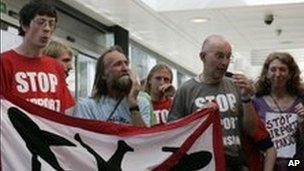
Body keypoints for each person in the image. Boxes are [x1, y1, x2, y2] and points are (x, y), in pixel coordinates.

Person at [168, 35, 276, 171]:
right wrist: (200, 117)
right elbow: (173, 133)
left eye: (228, 57)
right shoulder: (186, 90)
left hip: (235, 162)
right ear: (203, 57)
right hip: (203, 163)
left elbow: (253, 130)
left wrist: (246, 98)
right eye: (219, 56)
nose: (225, 62)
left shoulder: (236, 86)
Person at [0, 0, 74, 114]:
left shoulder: (56, 66)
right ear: (25, 25)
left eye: (51, 24)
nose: (47, 29)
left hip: (50, 130)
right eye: (41, 22)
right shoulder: (4, 62)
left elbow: (65, 110)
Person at [73, 46, 151, 127]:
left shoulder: (142, 103)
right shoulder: (86, 106)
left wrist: (133, 105)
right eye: (117, 64)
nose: (125, 68)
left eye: (126, 63)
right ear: (103, 74)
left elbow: (143, 138)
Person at [253, 52, 304, 170]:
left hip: (295, 162)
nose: (277, 74)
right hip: (264, 163)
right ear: (266, 73)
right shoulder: (256, 101)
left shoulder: (301, 100)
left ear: (290, 73)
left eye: (282, 69)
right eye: (273, 69)